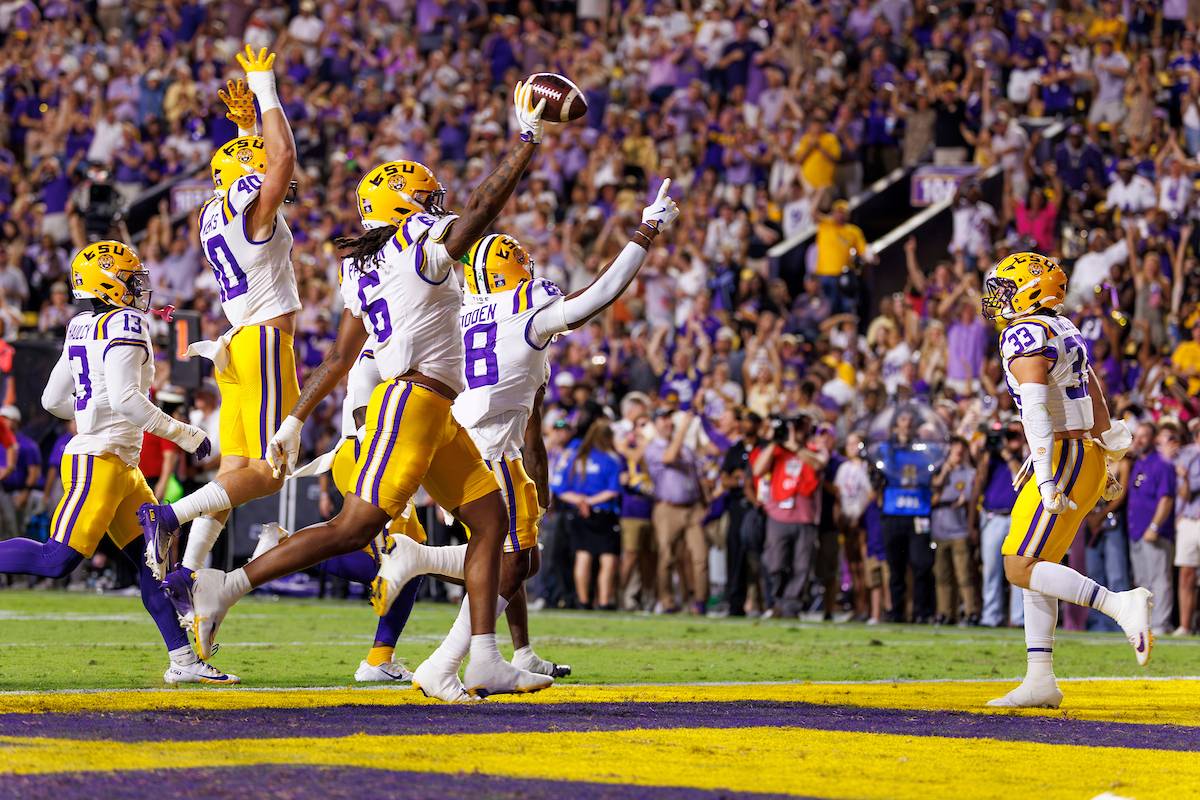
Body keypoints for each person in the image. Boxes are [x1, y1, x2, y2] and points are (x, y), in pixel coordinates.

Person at [163, 81, 556, 701]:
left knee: (491, 520)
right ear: (406, 205)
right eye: (426, 198)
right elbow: (482, 208)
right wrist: (528, 140)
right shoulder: (416, 247)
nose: (437, 206)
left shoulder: (364, 263)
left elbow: (343, 355)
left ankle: (481, 657)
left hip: (434, 407)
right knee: (353, 529)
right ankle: (227, 584)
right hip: (413, 402)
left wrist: (294, 418)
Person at [366, 182, 677, 697]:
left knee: (520, 557)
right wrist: (646, 231)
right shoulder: (526, 309)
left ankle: (464, 620)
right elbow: (600, 295)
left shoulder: (466, 310)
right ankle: (446, 657)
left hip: (467, 440)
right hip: (488, 450)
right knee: (510, 556)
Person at [0, 242, 231, 684]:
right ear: (108, 283)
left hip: (120, 463)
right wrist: (186, 434)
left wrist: (89, 410)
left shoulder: (80, 325)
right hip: (100, 459)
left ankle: (183, 661)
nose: (138, 286)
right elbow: (127, 400)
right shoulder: (125, 322)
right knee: (57, 560)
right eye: (130, 278)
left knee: (153, 566)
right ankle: (184, 659)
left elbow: (52, 401)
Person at [141, 48, 301, 582]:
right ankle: (168, 515)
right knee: (271, 471)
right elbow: (281, 162)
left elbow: (248, 169)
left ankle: (186, 574)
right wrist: (265, 89)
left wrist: (247, 131)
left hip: (236, 347)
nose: (265, 162)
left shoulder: (214, 211)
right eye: (253, 159)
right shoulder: (249, 207)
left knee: (233, 475)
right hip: (262, 345)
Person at [980, 251, 1153, 709]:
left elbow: (1036, 410)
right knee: (1037, 565)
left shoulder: (1025, 332)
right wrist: (1109, 452)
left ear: (1030, 288)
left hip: (1063, 453)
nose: (997, 300)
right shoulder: (1062, 326)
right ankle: (1040, 679)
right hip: (1080, 451)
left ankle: (1121, 605)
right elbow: (1092, 388)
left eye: (1004, 289)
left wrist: (1044, 473)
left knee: (1019, 565)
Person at [752, 415, 827, 618]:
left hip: (805, 516)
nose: (797, 432)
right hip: (778, 515)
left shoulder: (814, 448)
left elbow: (818, 464)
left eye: (799, 428)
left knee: (802, 566)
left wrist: (795, 447)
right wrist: (776, 442)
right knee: (775, 563)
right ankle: (777, 599)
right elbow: (757, 469)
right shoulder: (776, 450)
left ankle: (791, 606)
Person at [645, 409, 710, 614]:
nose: (668, 423)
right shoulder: (653, 448)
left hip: (692, 508)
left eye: (669, 419)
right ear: (655, 424)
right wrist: (683, 429)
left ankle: (700, 602)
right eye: (662, 418)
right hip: (667, 509)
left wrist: (705, 501)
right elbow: (669, 457)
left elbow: (696, 476)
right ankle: (667, 601)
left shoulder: (687, 449)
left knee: (700, 556)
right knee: (667, 557)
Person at [555, 419, 623, 610]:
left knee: (583, 556)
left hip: (579, 513)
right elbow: (613, 490)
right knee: (608, 558)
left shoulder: (576, 458)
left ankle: (583, 601)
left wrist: (581, 501)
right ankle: (603, 601)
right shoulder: (611, 459)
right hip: (604, 512)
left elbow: (560, 489)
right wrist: (591, 502)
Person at [1126, 423, 1177, 635]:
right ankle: (1145, 625)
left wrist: (1155, 526)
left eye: (1144, 436)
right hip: (1136, 531)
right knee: (1143, 582)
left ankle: (1160, 624)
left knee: (1159, 580)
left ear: (1153, 438)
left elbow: (1166, 499)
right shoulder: (1138, 463)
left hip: (1154, 532)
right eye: (1136, 436)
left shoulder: (1162, 464)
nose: (1139, 440)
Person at [974, 425, 1026, 627]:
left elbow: (1021, 481)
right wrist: (987, 454)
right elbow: (979, 480)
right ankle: (990, 615)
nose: (1010, 440)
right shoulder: (992, 459)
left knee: (1016, 569)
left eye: (1014, 435)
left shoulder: (1026, 458)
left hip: (1016, 518)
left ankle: (1018, 617)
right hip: (993, 517)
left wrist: (1007, 455)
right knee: (991, 570)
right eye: (1007, 436)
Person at [930, 437, 978, 625]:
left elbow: (968, 497)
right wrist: (944, 473)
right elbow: (933, 494)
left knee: (963, 574)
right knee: (942, 575)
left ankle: (970, 610)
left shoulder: (969, 474)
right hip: (940, 529)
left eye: (960, 451)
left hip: (959, 529)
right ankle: (944, 611)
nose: (957, 455)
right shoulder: (939, 471)